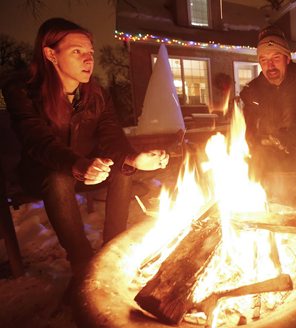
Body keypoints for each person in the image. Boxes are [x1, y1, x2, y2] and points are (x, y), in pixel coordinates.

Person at [2, 17, 170, 274]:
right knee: (59, 178)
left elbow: (111, 136)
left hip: (85, 169)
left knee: (123, 169)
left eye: (90, 52)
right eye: (77, 52)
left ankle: (113, 250)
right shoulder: (23, 91)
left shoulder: (97, 95)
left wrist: (133, 159)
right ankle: (82, 263)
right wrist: (77, 165)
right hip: (42, 172)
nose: (88, 60)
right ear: (50, 54)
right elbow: (37, 141)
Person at [239, 26, 296, 208]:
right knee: (254, 155)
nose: (269, 66)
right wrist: (260, 140)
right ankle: (261, 203)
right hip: (270, 149)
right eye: (264, 60)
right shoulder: (252, 91)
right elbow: (248, 130)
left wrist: (295, 137)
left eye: (275, 58)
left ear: (287, 58)